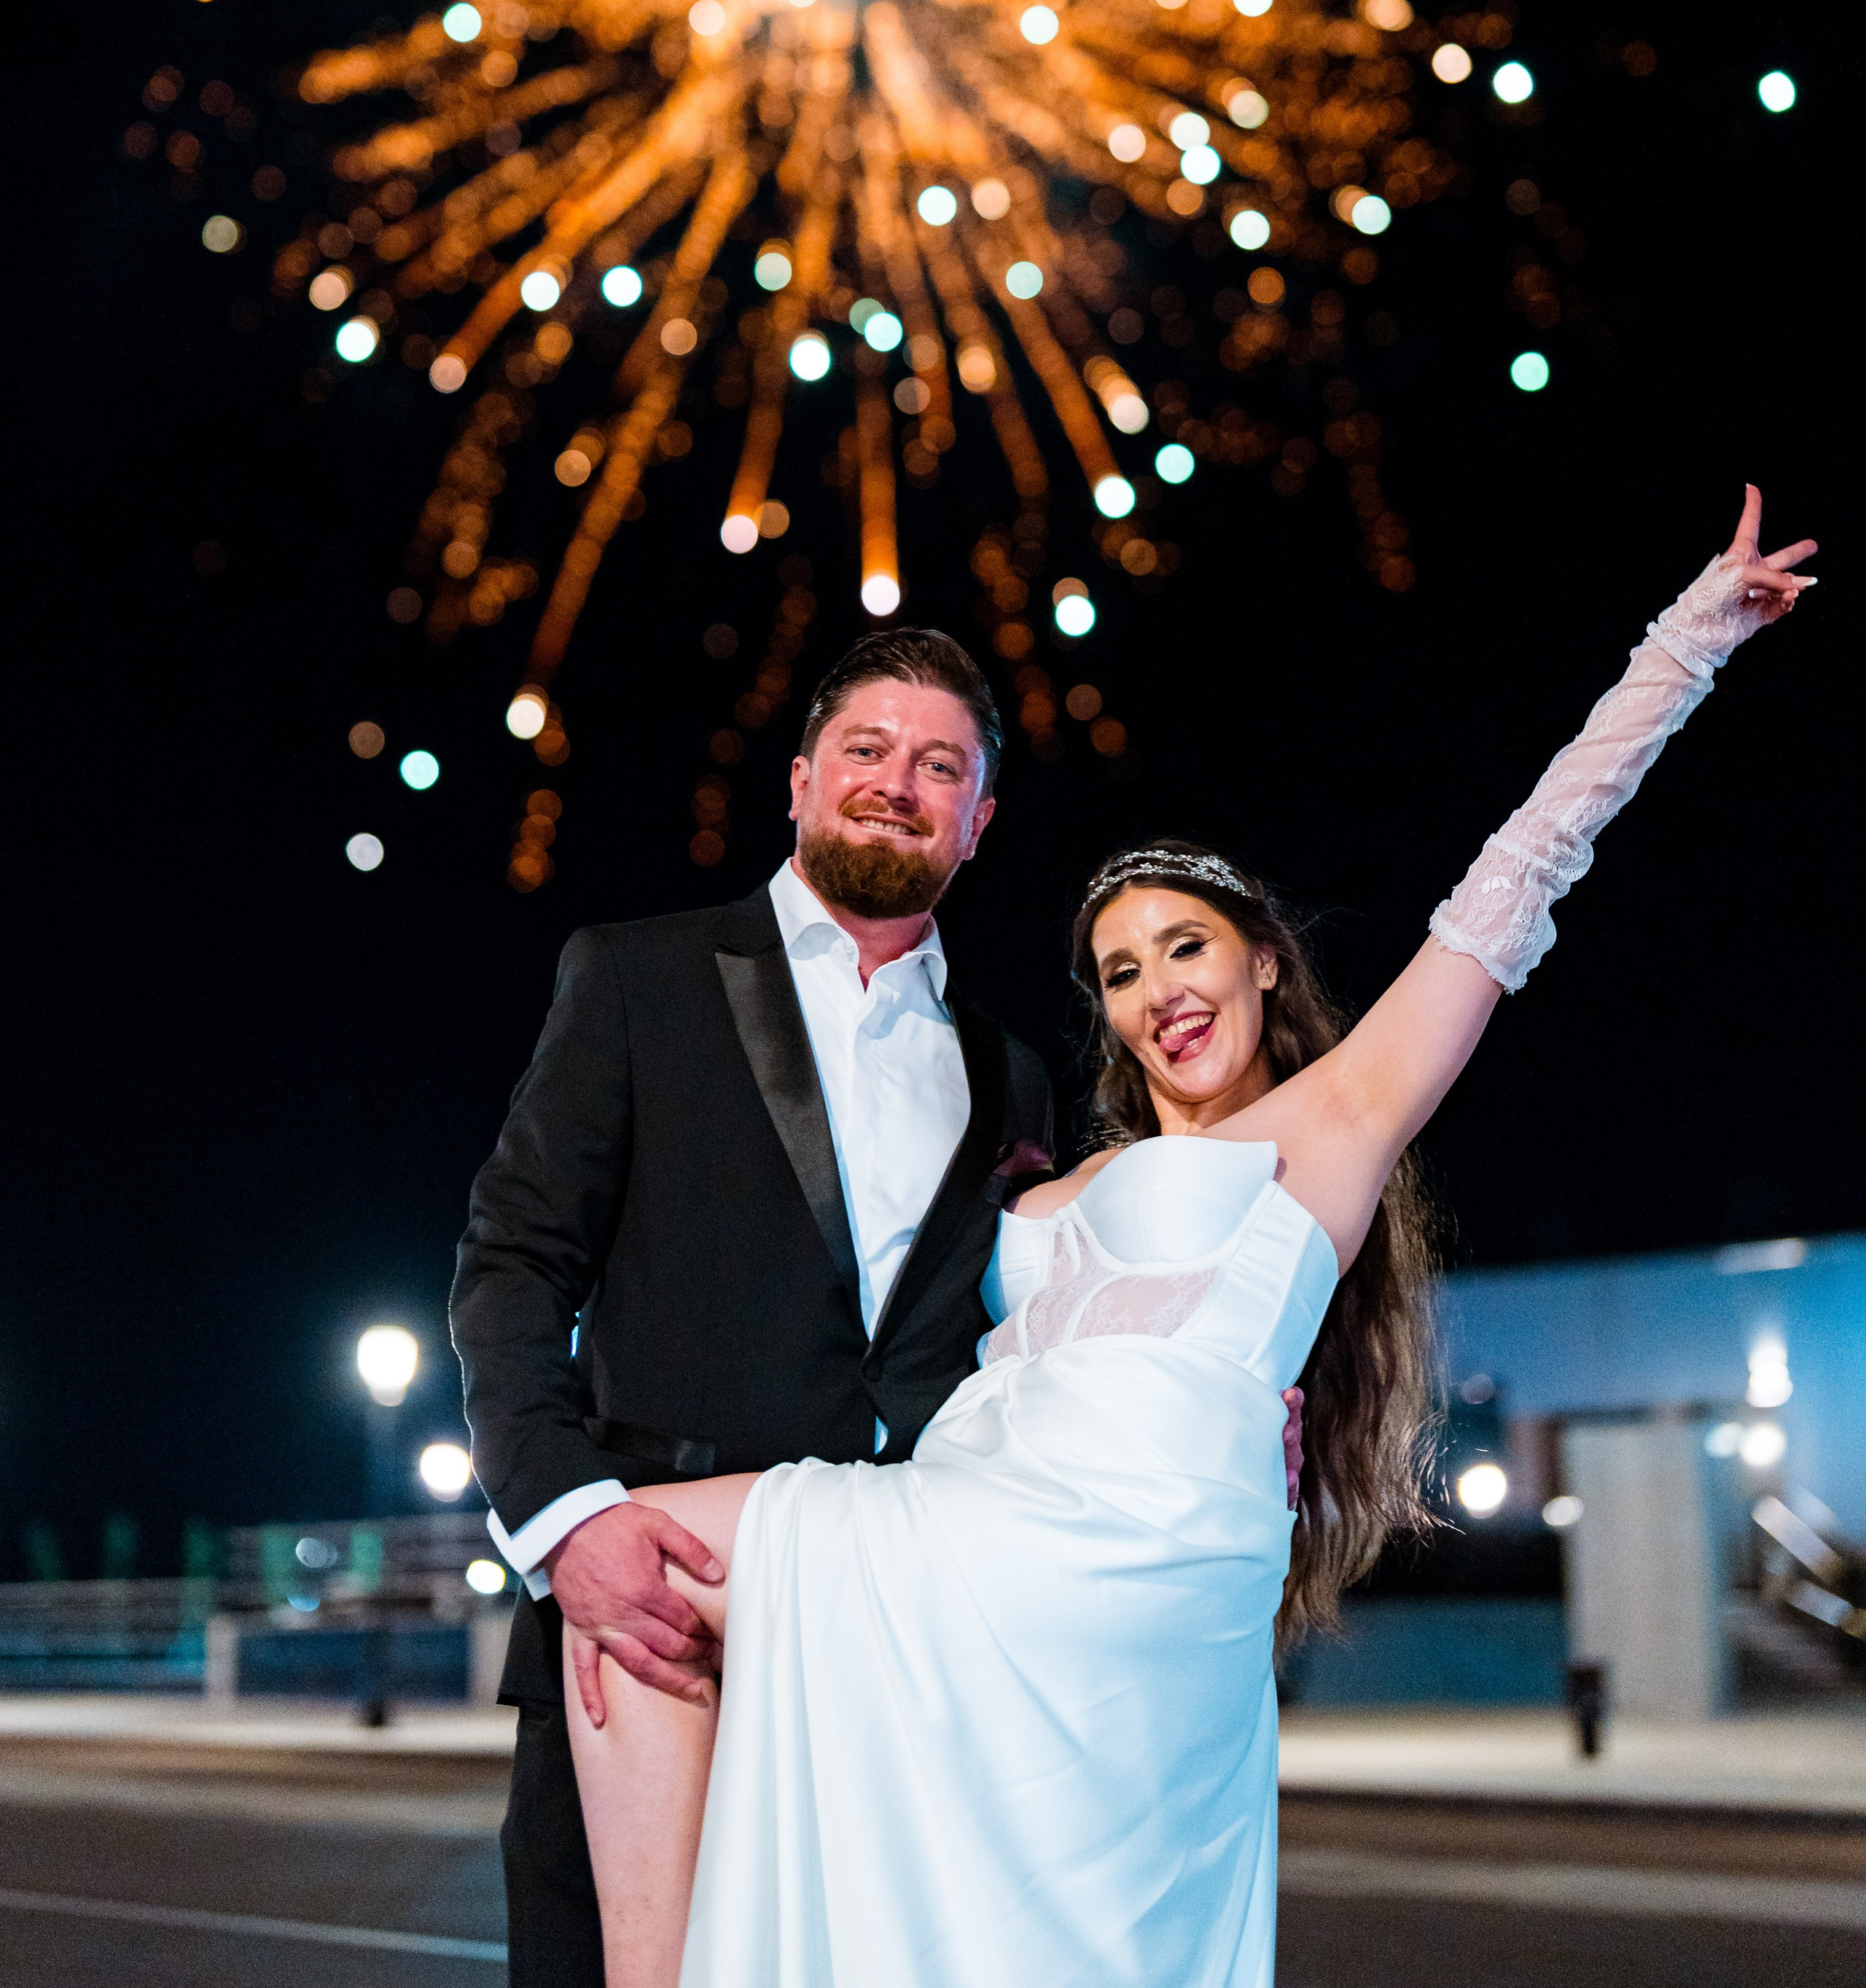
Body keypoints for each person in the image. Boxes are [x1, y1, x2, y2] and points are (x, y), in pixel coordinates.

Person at [561, 488, 1814, 1988]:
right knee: (623, 1560)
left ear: (1261, 962)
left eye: (1183, 946)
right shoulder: (1053, 1179)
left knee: (636, 1540)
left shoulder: (1331, 1125)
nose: (1154, 986)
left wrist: (1684, 647)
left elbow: (1518, 874)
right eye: (1115, 971)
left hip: (1121, 1549)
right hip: (974, 1514)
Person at [455, 627, 1305, 1983]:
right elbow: (510, 1266)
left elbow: (1040, 1330)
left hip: (898, 1661)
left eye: (938, 767)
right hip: (658, 1621)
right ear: (798, 781)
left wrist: (1213, 1400)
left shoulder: (1010, 1075)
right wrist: (567, 1521)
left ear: (976, 825)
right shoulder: (636, 976)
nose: (894, 783)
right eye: (866, 750)